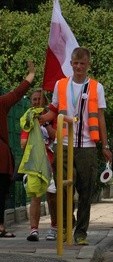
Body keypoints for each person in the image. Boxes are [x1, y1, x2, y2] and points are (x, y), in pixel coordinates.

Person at [38, 48, 112, 245]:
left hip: (87, 145)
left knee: (85, 190)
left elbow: (101, 117)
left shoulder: (97, 87)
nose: (79, 67)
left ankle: (81, 233)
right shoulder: (61, 85)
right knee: (62, 188)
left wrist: (105, 145)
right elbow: (53, 110)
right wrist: (40, 118)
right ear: (71, 64)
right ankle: (64, 226)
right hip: (62, 144)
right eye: (75, 63)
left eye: (82, 63)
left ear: (88, 65)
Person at [0, 62, 35, 239]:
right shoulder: (1, 102)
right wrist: (31, 74)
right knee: (1, 191)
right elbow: (17, 93)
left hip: (2, 155)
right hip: (1, 157)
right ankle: (0, 226)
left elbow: (17, 93)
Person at [20, 87, 56, 242]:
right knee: (35, 196)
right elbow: (22, 143)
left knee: (52, 197)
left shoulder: (53, 117)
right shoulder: (28, 117)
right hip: (35, 163)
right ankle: (34, 230)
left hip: (51, 162)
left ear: (45, 102)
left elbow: (56, 137)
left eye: (38, 99)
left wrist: (45, 121)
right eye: (33, 99)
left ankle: (54, 227)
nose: (35, 102)